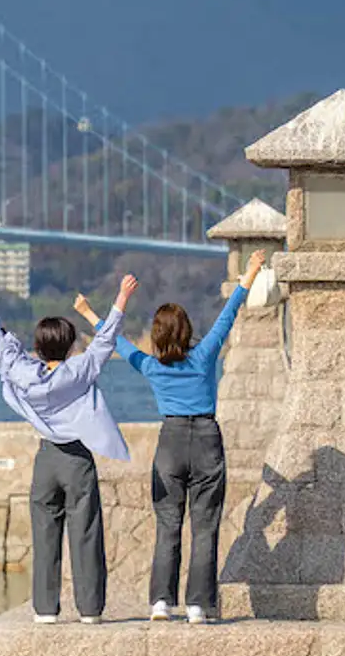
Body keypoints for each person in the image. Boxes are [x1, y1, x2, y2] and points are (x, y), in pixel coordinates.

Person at [100, 249, 267, 624]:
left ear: (157, 337)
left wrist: (92, 314)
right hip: (207, 437)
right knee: (204, 526)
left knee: (167, 524)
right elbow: (230, 312)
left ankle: (161, 602)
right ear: (188, 330)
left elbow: (116, 342)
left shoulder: (151, 366)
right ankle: (197, 606)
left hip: (171, 440)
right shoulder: (205, 354)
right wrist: (252, 270)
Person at [0, 275, 137, 624]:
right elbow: (105, 341)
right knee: (86, 533)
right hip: (77, 458)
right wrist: (121, 298)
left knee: (45, 533)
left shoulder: (24, 374)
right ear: (69, 347)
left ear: (37, 347)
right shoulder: (78, 371)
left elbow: (3, 352)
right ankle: (90, 609)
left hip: (46, 459)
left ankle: (45, 610)